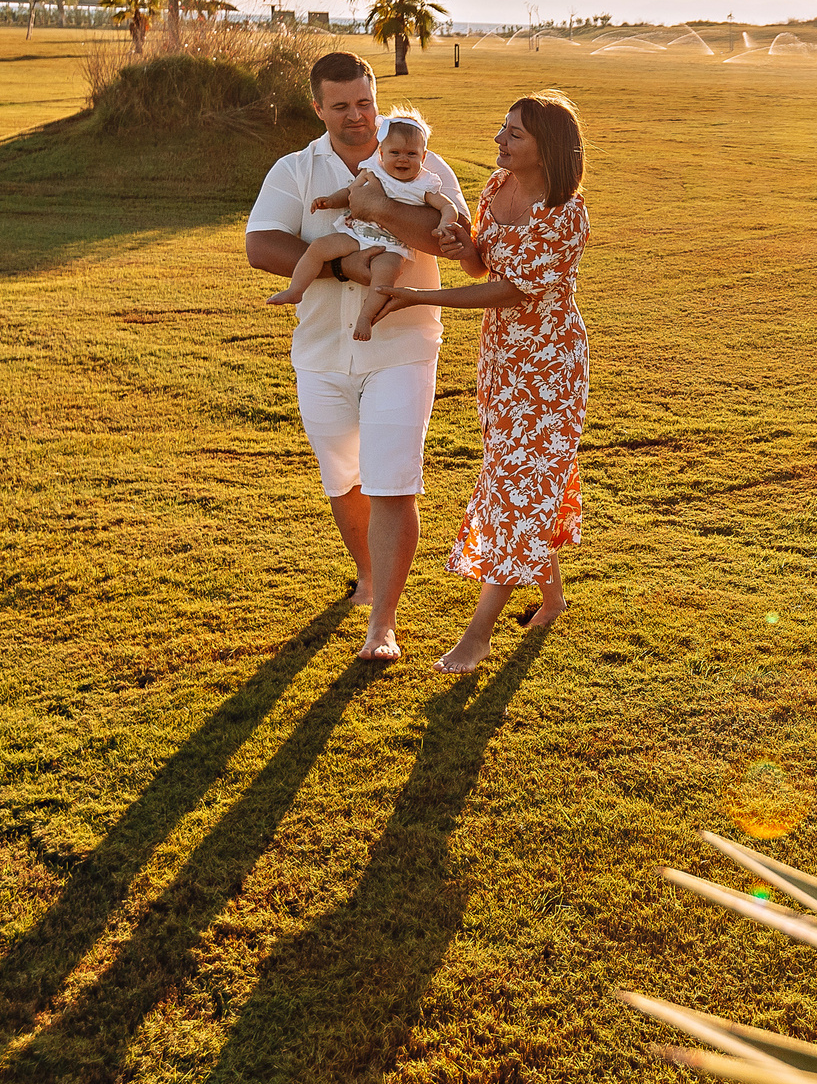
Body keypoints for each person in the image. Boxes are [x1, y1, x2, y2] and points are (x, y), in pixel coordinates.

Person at [244, 54, 469, 660]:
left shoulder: (423, 161)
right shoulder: (295, 170)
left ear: (377, 98)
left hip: (402, 345)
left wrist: (382, 211)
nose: (356, 116)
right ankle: (368, 577)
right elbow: (261, 244)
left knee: (393, 480)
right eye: (340, 105)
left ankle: (383, 625)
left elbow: (461, 246)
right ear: (317, 108)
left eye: (364, 102)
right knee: (344, 477)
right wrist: (345, 267)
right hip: (318, 350)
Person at [368, 91, 589, 673]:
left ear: (548, 148)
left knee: (520, 482)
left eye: (514, 134)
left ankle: (477, 636)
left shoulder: (565, 213)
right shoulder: (496, 189)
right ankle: (553, 596)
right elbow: (482, 266)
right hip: (500, 360)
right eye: (503, 127)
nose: (499, 140)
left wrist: (420, 295)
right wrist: (460, 243)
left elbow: (511, 289)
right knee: (516, 477)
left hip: (548, 364)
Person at [265, 113, 465, 340]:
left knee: (385, 274)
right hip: (357, 231)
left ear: (423, 156)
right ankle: (296, 290)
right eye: (395, 153)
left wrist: (445, 223)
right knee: (319, 247)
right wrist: (331, 200)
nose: (403, 159)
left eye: (412, 154)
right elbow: (351, 193)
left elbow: (447, 206)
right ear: (381, 153)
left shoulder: (424, 184)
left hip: (391, 245)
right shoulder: (373, 171)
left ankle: (365, 317)